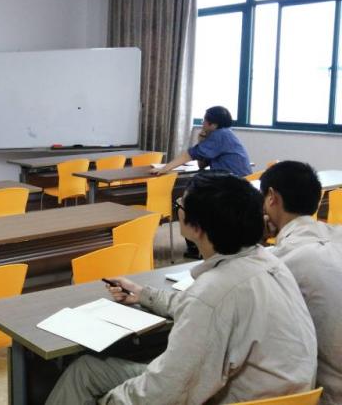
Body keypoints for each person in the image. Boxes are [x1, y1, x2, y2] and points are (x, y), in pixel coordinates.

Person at [46, 173, 317, 405]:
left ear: (196, 227)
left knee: (87, 377)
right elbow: (205, 306)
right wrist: (144, 295)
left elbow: (167, 391)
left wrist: (109, 401)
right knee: (86, 369)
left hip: (229, 397)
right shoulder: (269, 262)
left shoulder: (214, 291)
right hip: (281, 394)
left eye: (181, 206)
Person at [259, 161, 342, 405]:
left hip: (327, 394)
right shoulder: (336, 235)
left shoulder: (280, 261)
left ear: (272, 197)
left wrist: (254, 241)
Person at [152, 106, 252, 177]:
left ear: (213, 124)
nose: (202, 123)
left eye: (204, 120)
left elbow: (188, 155)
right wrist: (202, 141)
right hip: (241, 183)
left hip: (234, 186)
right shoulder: (226, 133)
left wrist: (164, 169)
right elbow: (202, 165)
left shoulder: (219, 135)